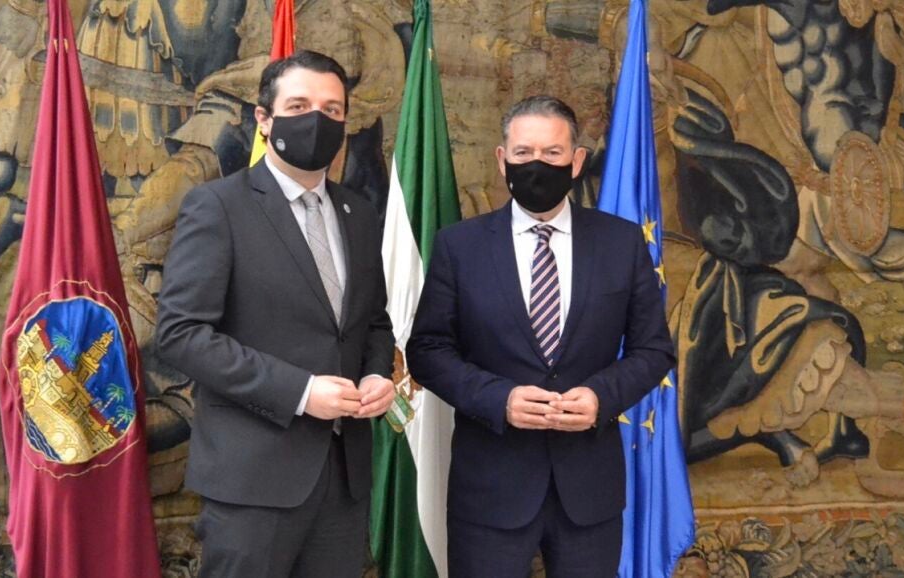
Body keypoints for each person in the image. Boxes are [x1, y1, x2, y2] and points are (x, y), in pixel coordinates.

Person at [407, 95, 676, 577]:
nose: (537, 165)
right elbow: (427, 351)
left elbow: (654, 349)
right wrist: (500, 399)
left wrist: (601, 396)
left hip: (589, 492)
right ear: (502, 159)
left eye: (552, 153)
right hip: (490, 490)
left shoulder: (621, 243)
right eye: (523, 153)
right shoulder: (459, 246)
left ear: (577, 161)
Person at [156, 50, 395, 578]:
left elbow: (373, 322)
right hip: (253, 481)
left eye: (332, 110)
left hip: (344, 480)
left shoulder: (358, 213)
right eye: (299, 105)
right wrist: (302, 392)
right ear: (264, 119)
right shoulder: (218, 206)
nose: (318, 120)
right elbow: (181, 334)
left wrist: (378, 373)